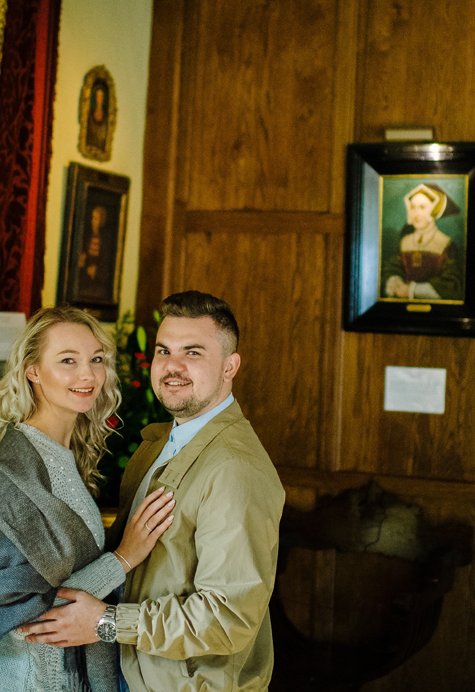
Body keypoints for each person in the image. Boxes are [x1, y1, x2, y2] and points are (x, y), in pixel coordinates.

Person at [20, 291, 285, 692]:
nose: (172, 366)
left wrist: (107, 622)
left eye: (193, 352)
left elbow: (227, 618)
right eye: (164, 351)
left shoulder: (235, 469)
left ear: (230, 366)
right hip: (134, 672)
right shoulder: (157, 443)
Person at [0, 306, 177, 692]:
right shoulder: (15, 475)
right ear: (33, 371)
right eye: (68, 360)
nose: (87, 375)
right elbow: (27, 618)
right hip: (13, 683)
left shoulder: (61, 453)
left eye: (96, 359)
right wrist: (125, 557)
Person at [380, 182, 464, 301]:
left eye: (422, 207)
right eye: (413, 207)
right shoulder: (404, 242)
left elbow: (451, 285)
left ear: (434, 210)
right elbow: (391, 268)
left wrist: (412, 290)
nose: (416, 213)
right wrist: (395, 282)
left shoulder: (446, 244)